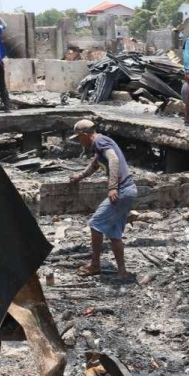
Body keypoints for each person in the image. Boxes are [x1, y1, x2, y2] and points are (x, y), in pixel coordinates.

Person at [67, 119, 137, 280]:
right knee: (114, 233)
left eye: (78, 138)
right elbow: (96, 164)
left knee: (95, 223)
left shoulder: (100, 141)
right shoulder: (101, 145)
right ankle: (122, 272)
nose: (79, 142)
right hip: (128, 190)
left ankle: (95, 264)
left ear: (85, 135)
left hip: (122, 191)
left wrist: (113, 186)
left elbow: (113, 160)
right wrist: (81, 176)